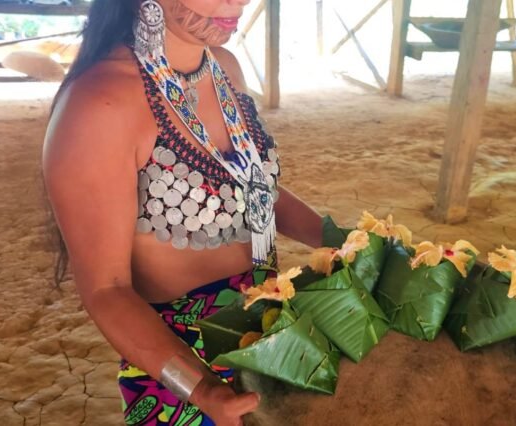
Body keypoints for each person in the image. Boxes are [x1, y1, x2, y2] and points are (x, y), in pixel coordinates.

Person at [42, 0, 323, 424]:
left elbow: (254, 192)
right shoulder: (100, 104)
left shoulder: (223, 67)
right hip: (179, 367)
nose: (239, 1)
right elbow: (106, 290)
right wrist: (204, 389)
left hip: (269, 333)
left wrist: (344, 240)